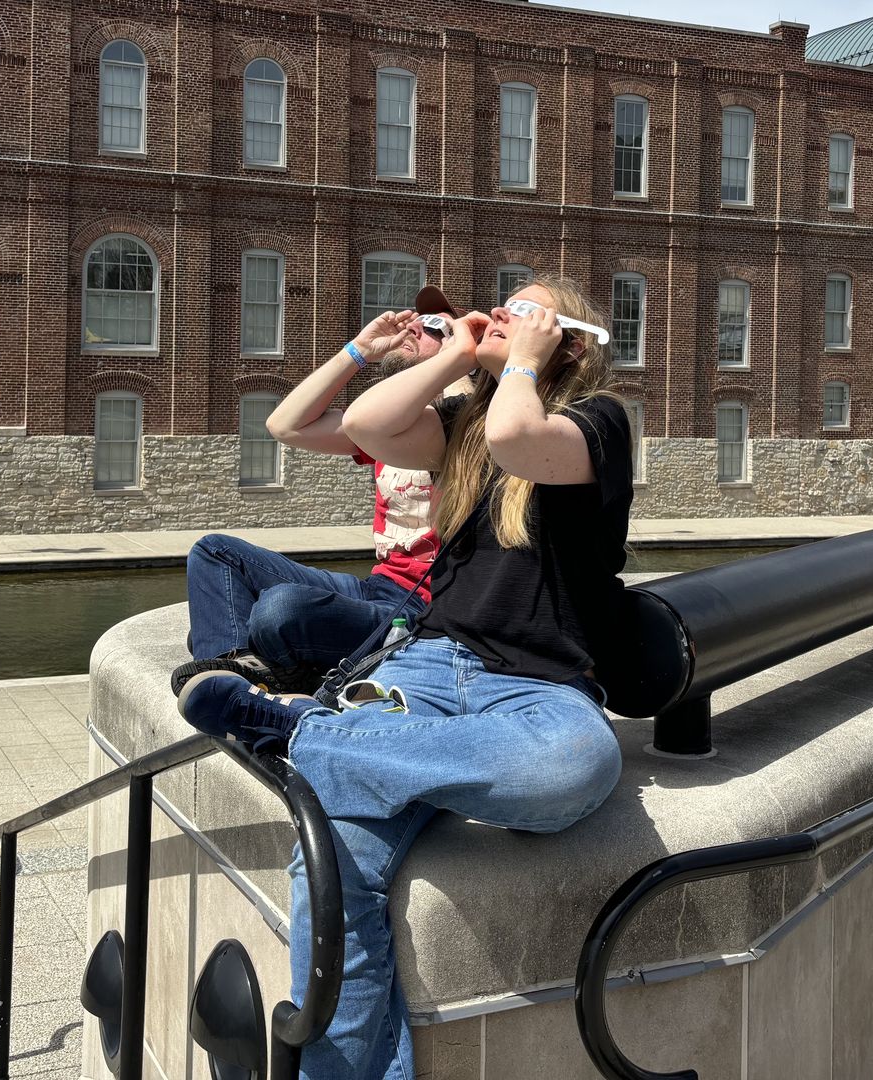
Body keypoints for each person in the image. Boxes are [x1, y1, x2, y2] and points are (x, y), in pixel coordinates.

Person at [177, 276, 630, 1080]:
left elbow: (519, 443)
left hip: (537, 685)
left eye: (525, 309)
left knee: (574, 765)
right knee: (334, 861)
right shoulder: (462, 422)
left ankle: (303, 731)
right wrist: (451, 351)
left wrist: (521, 357)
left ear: (566, 338)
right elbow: (364, 422)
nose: (498, 316)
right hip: (425, 663)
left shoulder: (594, 423)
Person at [172, 288, 466, 692]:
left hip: (421, 609)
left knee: (280, 609)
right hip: (376, 586)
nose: (413, 325)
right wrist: (359, 350)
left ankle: (256, 654)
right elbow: (285, 425)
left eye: (434, 326)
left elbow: (468, 426)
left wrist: (459, 359)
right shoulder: (388, 430)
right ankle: (235, 663)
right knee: (215, 553)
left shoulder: (475, 425)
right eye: (414, 318)